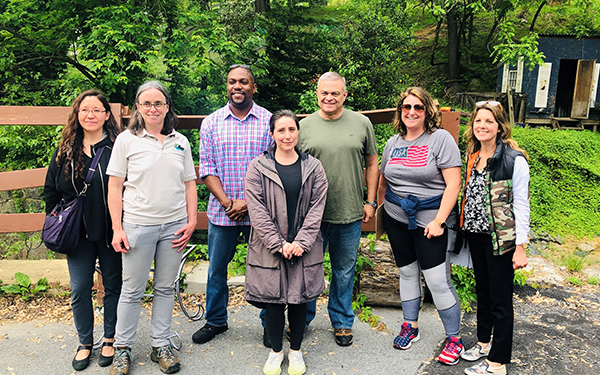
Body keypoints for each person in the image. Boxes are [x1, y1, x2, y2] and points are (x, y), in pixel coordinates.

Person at [106, 81, 197, 375]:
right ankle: (123, 349)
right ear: (138, 108)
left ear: (167, 106)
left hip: (174, 226)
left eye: (158, 103)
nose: (153, 109)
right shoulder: (126, 141)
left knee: (165, 288)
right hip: (137, 226)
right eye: (146, 104)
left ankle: (161, 344)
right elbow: (115, 185)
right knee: (132, 290)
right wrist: (117, 227)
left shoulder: (180, 141)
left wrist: (192, 220)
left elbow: (189, 184)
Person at [378, 87, 464, 365]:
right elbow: (383, 180)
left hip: (431, 221)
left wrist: (440, 221)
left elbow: (453, 183)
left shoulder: (440, 139)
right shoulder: (393, 142)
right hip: (397, 218)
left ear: (428, 111)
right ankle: (410, 326)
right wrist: (381, 213)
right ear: (400, 111)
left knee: (438, 281)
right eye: (406, 107)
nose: (411, 112)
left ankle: (454, 338)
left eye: (418, 107)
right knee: (406, 273)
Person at [192, 64, 272, 345]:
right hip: (221, 212)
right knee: (216, 269)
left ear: (253, 87)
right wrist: (228, 202)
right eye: (231, 82)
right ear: (226, 86)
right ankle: (215, 320)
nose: (237, 86)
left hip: (260, 213)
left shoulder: (268, 121)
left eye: (243, 82)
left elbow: (274, 169)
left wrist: (249, 203)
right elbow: (207, 167)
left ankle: (269, 323)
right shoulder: (211, 122)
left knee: (265, 269)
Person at [298, 72, 379, 347]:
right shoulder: (304, 126)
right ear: (317, 94)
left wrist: (370, 201)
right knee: (309, 268)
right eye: (324, 92)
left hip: (350, 210)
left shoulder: (361, 123)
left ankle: (342, 320)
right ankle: (303, 317)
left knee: (344, 269)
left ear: (345, 94)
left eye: (335, 93)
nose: (329, 97)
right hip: (311, 215)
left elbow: (372, 163)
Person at [44, 90, 122, 371]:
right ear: (77, 114)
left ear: (106, 115)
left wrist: (120, 226)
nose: (91, 115)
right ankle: (85, 342)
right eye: (85, 110)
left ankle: (111, 338)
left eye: (97, 110)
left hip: (111, 230)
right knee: (79, 288)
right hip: (77, 234)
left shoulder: (117, 148)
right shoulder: (65, 150)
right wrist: (57, 221)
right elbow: (51, 191)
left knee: (113, 285)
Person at [245, 110, 328, 375]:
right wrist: (278, 243)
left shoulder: (314, 167)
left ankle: (295, 351)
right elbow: (256, 210)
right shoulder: (258, 167)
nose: (287, 135)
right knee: (273, 300)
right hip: (270, 247)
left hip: (304, 246)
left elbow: (317, 208)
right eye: (281, 130)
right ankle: (275, 352)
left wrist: (301, 242)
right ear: (272, 134)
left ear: (297, 132)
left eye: (291, 129)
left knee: (298, 299)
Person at [459, 101, 529, 375]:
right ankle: (483, 343)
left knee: (500, 299)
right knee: (483, 292)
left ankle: (498, 362)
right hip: (476, 236)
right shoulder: (473, 156)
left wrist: (521, 246)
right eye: (478, 121)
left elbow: (522, 205)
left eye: (489, 121)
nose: (482, 126)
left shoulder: (514, 159)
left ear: (500, 126)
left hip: (502, 239)